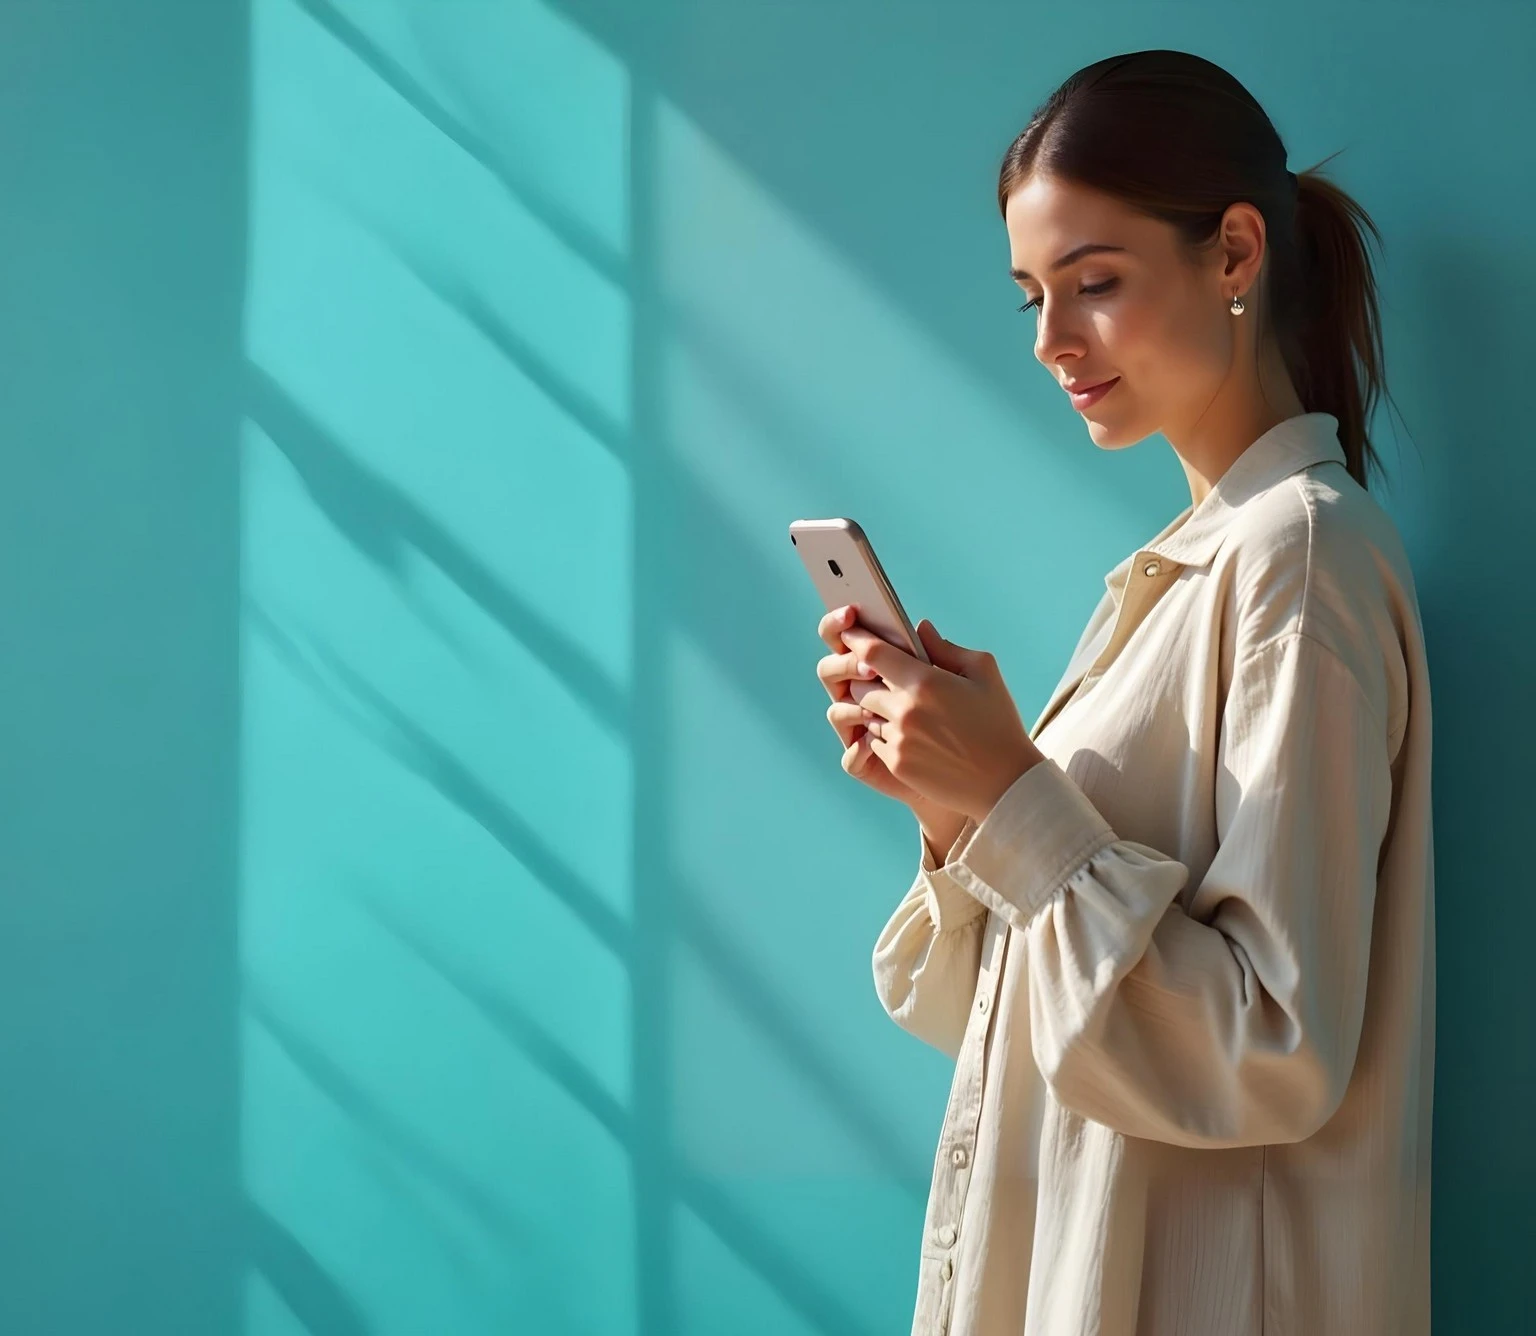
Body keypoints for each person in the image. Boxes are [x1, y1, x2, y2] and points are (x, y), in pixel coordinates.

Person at [813, 49, 1433, 1336]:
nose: (1051, 342)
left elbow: (1276, 1040)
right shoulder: (1187, 577)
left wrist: (1012, 789)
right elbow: (1016, 1022)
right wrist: (960, 808)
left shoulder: (1299, 558)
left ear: (1234, 253)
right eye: (1032, 295)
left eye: (1094, 284)